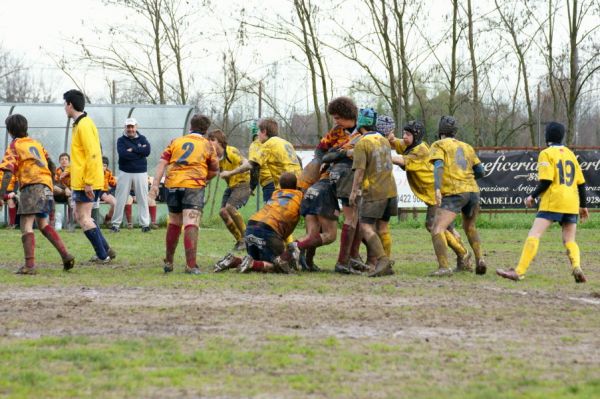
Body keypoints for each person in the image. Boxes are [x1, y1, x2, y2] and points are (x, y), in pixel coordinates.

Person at [497, 122, 589, 283]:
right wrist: (583, 205)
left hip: (554, 200)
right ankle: (576, 266)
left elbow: (546, 181)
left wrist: (532, 196)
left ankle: (519, 271)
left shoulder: (546, 154)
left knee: (534, 234)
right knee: (570, 240)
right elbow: (581, 183)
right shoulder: (570, 154)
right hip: (571, 202)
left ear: (547, 136)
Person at [388, 120, 472, 271]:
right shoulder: (410, 144)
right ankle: (464, 259)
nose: (404, 137)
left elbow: (400, 159)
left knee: (432, 225)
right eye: (404, 133)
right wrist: (388, 138)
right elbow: (395, 143)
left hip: (436, 194)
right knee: (448, 229)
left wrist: (380, 155)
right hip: (435, 194)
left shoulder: (420, 150)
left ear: (417, 136)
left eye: (408, 134)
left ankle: (462, 254)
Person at [0, 114, 75, 274]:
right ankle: (66, 255)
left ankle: (30, 266)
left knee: (26, 225)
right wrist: (53, 182)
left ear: (10, 131)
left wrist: (1, 195)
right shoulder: (36, 143)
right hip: (46, 187)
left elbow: (7, 172)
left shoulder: (15, 145)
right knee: (43, 224)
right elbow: (51, 163)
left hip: (31, 186)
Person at [149, 114, 219, 275]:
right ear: (206, 130)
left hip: (173, 184)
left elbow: (162, 163)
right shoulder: (207, 145)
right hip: (193, 185)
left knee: (174, 221)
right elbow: (215, 169)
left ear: (190, 127)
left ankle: (169, 262)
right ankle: (191, 265)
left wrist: (155, 185)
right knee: (191, 222)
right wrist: (204, 178)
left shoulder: (176, 142)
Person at [428, 116, 485, 277]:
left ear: (440, 133)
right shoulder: (467, 147)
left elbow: (438, 166)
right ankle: (480, 259)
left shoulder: (438, 145)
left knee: (437, 228)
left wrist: (437, 188)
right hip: (473, 191)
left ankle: (444, 267)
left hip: (455, 192)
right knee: (470, 227)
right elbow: (481, 171)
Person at [63, 89, 116, 263]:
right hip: (82, 180)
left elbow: (93, 154)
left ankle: (102, 256)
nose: (64, 107)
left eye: (65, 104)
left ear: (70, 104)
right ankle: (106, 249)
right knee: (81, 216)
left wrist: (89, 182)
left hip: (88, 181)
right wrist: (70, 173)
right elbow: (80, 156)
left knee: (84, 218)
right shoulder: (79, 124)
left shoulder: (84, 125)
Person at [315, 97, 366, 274]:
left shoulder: (362, 131)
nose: (335, 122)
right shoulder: (336, 130)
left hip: (357, 176)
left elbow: (357, 152)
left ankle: (353, 257)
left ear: (347, 115)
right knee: (351, 217)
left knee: (357, 218)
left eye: (337, 117)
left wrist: (335, 155)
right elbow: (321, 148)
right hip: (342, 177)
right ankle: (344, 261)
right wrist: (323, 160)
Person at [213, 172, 302, 274]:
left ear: (280, 185)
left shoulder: (275, 193)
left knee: (259, 261)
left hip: (251, 227)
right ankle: (252, 264)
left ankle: (234, 261)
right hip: (268, 230)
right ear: (296, 185)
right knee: (279, 264)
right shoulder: (299, 197)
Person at [349, 109, 398, 277]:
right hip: (391, 191)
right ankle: (388, 264)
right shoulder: (384, 140)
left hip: (374, 192)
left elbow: (360, 171)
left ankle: (383, 261)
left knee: (366, 227)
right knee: (383, 227)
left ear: (360, 124)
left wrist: (354, 192)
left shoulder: (362, 143)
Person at [207, 129, 251, 251]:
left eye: (212, 140)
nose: (209, 142)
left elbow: (247, 164)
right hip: (232, 186)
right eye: (208, 140)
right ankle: (240, 241)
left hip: (243, 183)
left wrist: (230, 173)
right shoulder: (216, 157)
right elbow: (216, 173)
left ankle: (247, 238)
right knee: (223, 212)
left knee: (230, 208)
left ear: (220, 141)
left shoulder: (231, 151)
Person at [110, 117, 151, 232]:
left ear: (136, 127)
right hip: (125, 172)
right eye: (128, 127)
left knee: (143, 199)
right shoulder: (121, 140)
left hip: (141, 172)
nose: (130, 129)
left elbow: (147, 151)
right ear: (125, 127)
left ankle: (145, 225)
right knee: (120, 199)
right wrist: (138, 151)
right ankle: (115, 225)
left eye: (132, 126)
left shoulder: (143, 139)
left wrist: (132, 150)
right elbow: (123, 155)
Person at [247, 120, 275, 203]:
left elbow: (254, 166)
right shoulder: (275, 142)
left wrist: (251, 186)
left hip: (269, 183)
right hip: (281, 180)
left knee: (270, 213)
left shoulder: (255, 145)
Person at [101, 156, 117, 226]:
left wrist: (117, 185)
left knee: (115, 203)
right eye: (101, 165)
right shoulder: (93, 172)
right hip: (94, 192)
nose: (102, 167)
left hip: (104, 192)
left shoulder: (108, 173)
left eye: (104, 166)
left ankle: (108, 218)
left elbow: (113, 183)